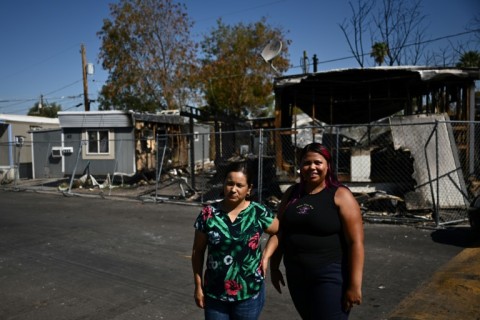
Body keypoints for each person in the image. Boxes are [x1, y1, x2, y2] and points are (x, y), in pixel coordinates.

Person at [264, 142, 364, 320]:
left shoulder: (341, 195)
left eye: (318, 162)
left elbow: (355, 242)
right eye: (306, 163)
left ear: (327, 165)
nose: (312, 167)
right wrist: (274, 266)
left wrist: (354, 285)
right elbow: (280, 231)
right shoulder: (292, 194)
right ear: (300, 166)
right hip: (297, 275)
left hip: (329, 275)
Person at [191, 161, 279, 320]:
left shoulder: (258, 212)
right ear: (223, 184)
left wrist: (266, 257)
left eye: (239, 185)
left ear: (249, 189)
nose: (233, 189)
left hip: (249, 293)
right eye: (229, 183)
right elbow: (198, 252)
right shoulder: (208, 213)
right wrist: (198, 286)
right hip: (215, 293)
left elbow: (279, 232)